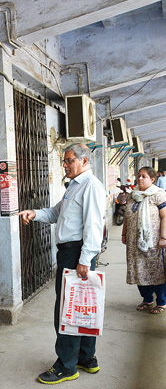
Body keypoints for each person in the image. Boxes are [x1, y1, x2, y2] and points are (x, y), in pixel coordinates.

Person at [18, 143, 106, 385]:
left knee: (68, 310)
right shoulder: (74, 187)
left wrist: (85, 260)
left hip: (77, 254)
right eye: (64, 161)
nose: (65, 165)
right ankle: (86, 358)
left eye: (69, 160)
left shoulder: (90, 187)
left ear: (84, 161)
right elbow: (56, 213)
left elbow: (94, 227)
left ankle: (66, 365)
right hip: (73, 253)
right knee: (83, 306)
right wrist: (35, 213)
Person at [121, 167, 166, 314]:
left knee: (156, 271)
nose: (140, 179)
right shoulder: (132, 195)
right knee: (139, 270)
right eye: (138, 176)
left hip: (154, 243)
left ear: (152, 179)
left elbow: (165, 216)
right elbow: (127, 216)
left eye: (144, 176)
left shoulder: (158, 195)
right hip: (134, 243)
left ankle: (161, 301)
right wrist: (124, 234)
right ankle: (147, 299)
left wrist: (163, 237)